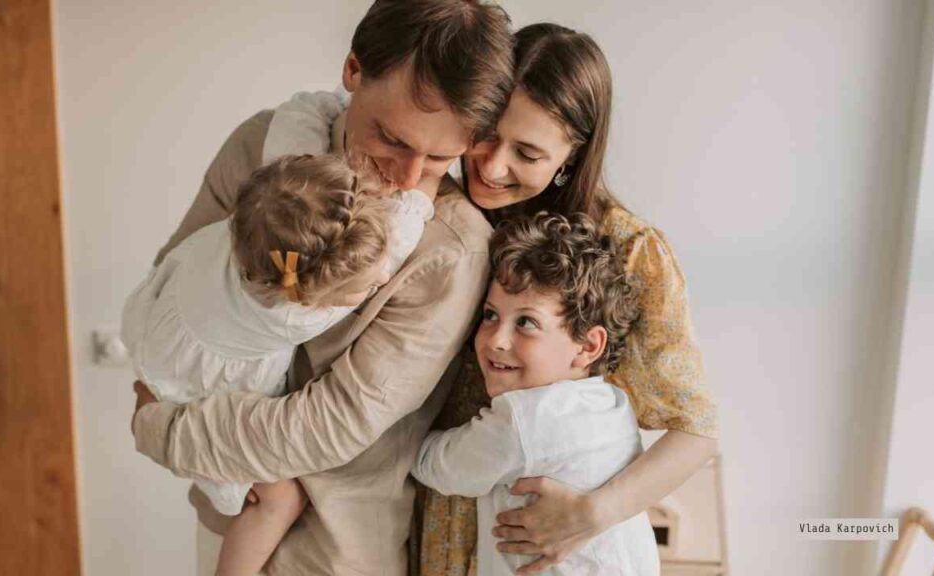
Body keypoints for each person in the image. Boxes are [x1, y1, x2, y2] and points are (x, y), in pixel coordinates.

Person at [130, 1, 515, 574]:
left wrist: (159, 428)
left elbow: (333, 424)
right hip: (223, 519)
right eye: (391, 138)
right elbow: (177, 284)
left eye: (440, 157)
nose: (407, 178)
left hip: (333, 553)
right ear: (353, 70)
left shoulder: (452, 250)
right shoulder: (259, 147)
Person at [417, 23, 719, 575]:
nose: (492, 165)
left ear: (570, 157)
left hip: (535, 540)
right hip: (429, 518)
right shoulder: (438, 210)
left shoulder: (629, 251)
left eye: (527, 153)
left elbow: (696, 433)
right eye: (486, 134)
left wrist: (591, 515)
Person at [123, 144, 438, 574]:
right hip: (189, 381)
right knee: (279, 497)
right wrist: (423, 191)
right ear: (308, 295)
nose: (384, 277)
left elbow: (297, 127)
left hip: (159, 332)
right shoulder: (291, 314)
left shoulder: (253, 222)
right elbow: (400, 242)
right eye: (365, 289)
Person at [412, 212, 660, 575]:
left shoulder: (526, 418)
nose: (496, 340)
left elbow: (440, 467)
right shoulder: (612, 404)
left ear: (588, 346)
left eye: (526, 322)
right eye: (490, 315)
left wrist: (406, 429)